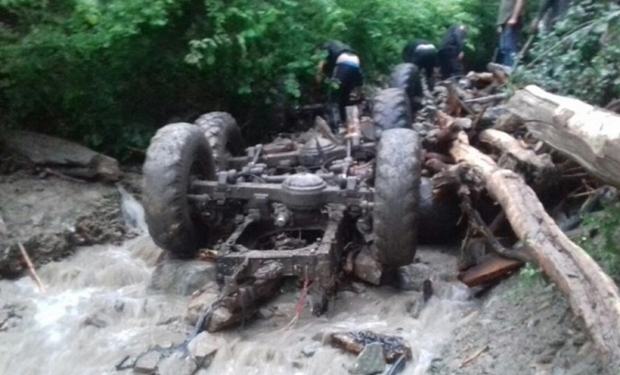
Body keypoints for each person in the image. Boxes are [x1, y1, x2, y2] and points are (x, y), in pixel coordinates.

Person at [316, 40, 363, 133]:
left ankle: (336, 128)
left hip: (343, 62)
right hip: (356, 63)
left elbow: (320, 66)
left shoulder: (324, 48)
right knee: (344, 98)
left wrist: (318, 80)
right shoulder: (337, 46)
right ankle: (347, 124)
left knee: (333, 97)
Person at [495, 0, 527, 71]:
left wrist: (514, 17)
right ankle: (504, 71)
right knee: (503, 48)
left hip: (511, 20)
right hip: (504, 21)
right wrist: (499, 24)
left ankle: (510, 72)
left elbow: (520, 1)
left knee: (510, 48)